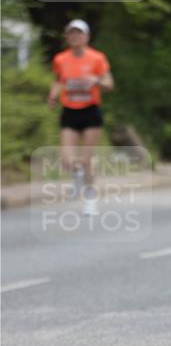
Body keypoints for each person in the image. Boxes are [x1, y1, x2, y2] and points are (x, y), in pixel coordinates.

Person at [47, 19, 114, 214]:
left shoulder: (97, 58)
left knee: (87, 158)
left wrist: (96, 80)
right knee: (67, 159)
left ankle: (90, 199)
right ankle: (77, 175)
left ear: (87, 37)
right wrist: (52, 95)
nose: (75, 37)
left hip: (90, 111)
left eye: (79, 33)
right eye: (71, 33)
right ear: (67, 37)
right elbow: (59, 81)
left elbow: (109, 83)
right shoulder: (60, 59)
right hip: (70, 111)